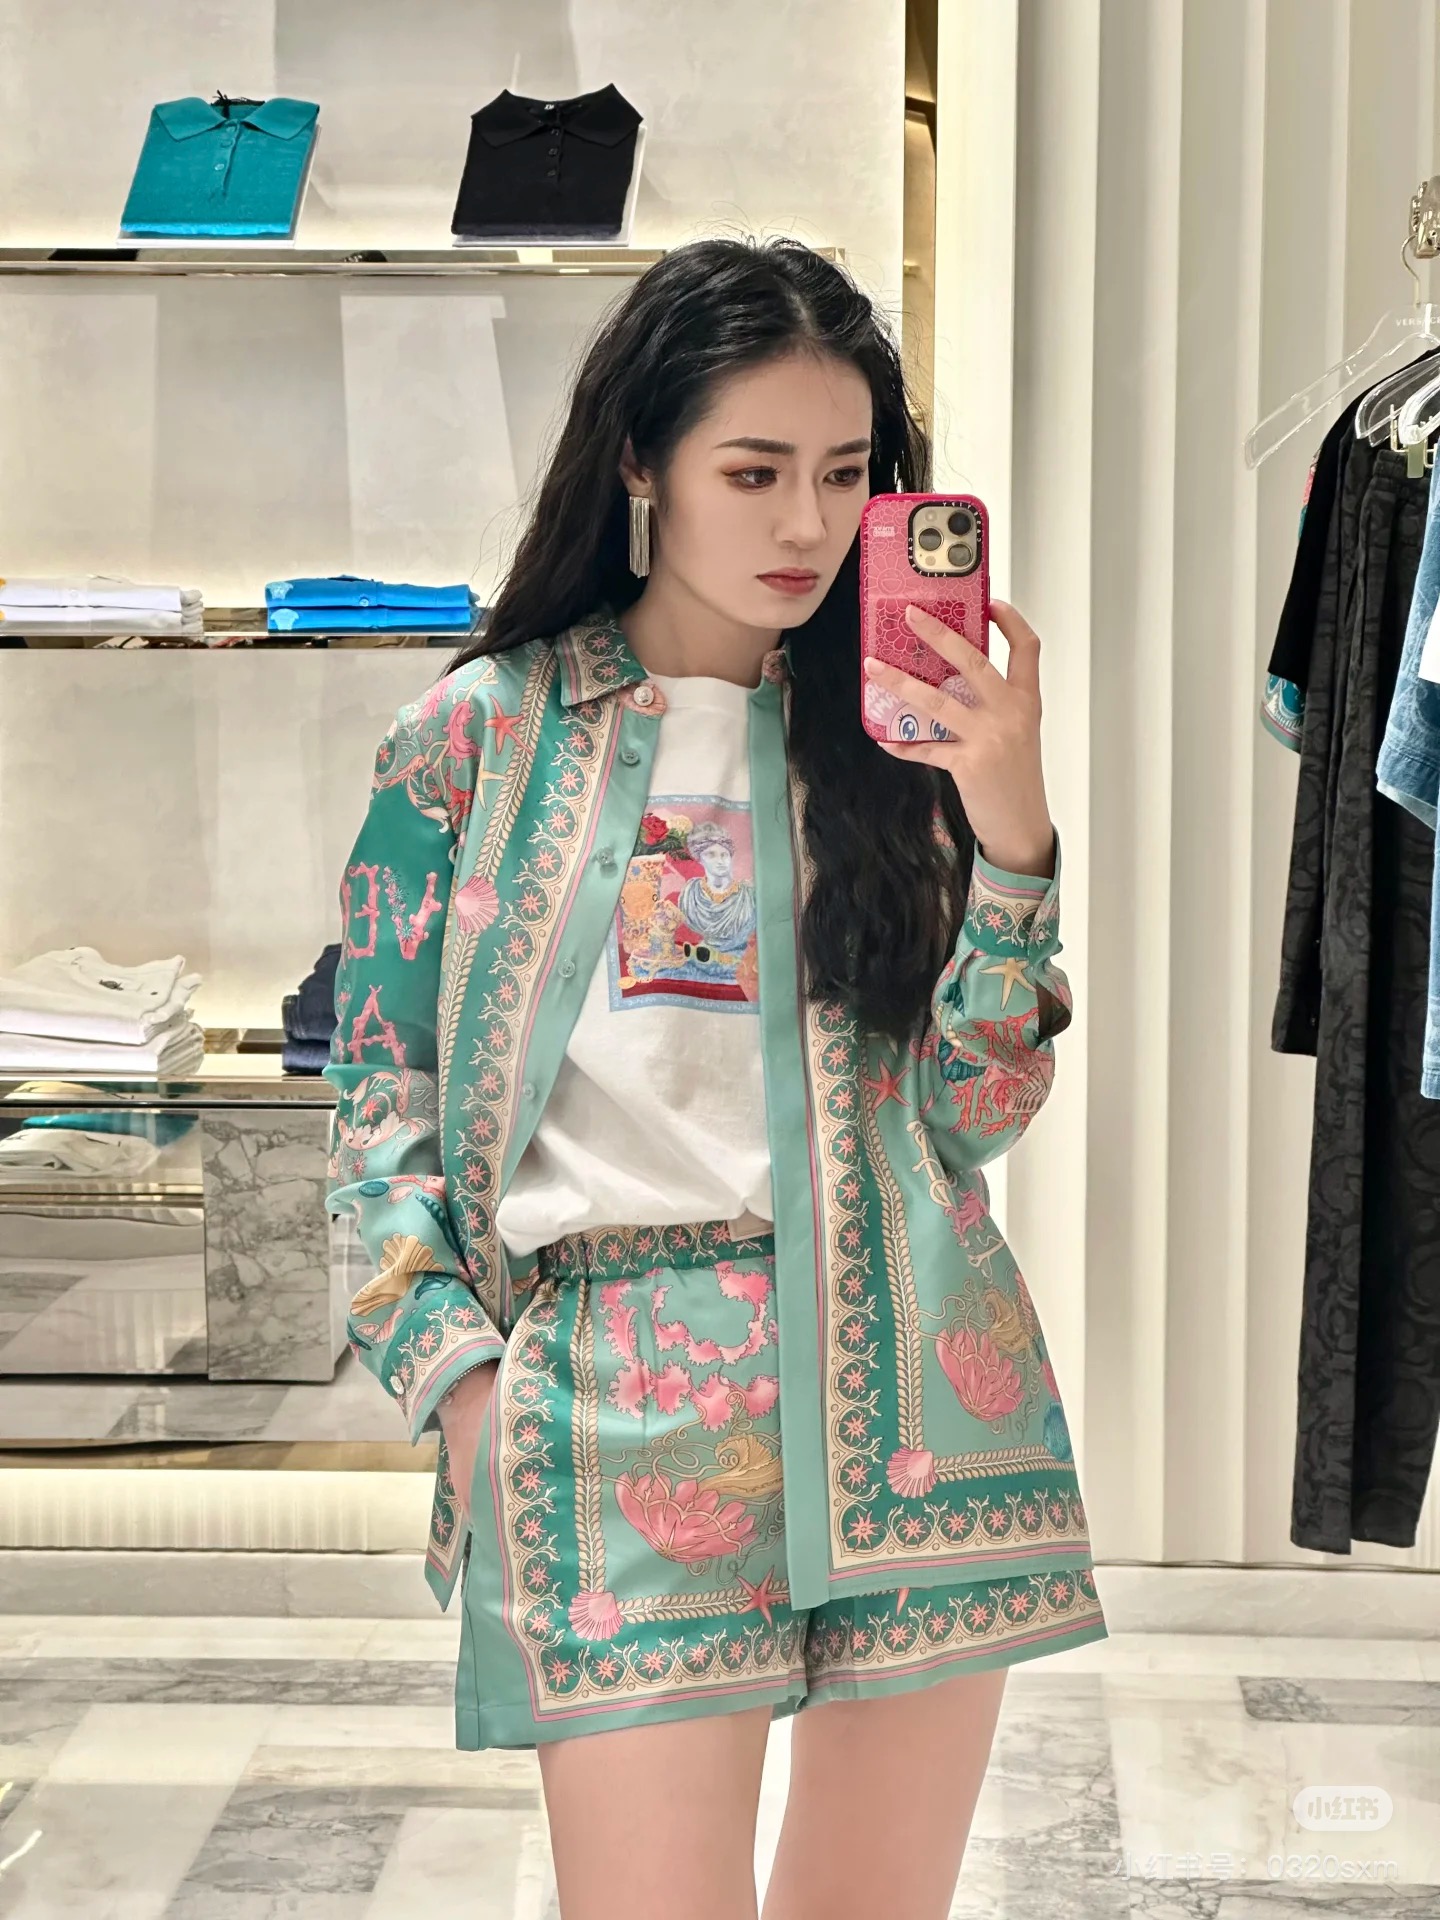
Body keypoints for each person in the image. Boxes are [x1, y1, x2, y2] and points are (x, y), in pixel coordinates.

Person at [325, 233, 1106, 1920]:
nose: (806, 524)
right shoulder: (478, 739)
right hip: (616, 1410)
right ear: (641, 464)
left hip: (919, 1394)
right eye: (754, 472)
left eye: (845, 473)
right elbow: (378, 1103)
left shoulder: (901, 746)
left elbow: (974, 1115)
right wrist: (466, 1392)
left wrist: (1013, 828)